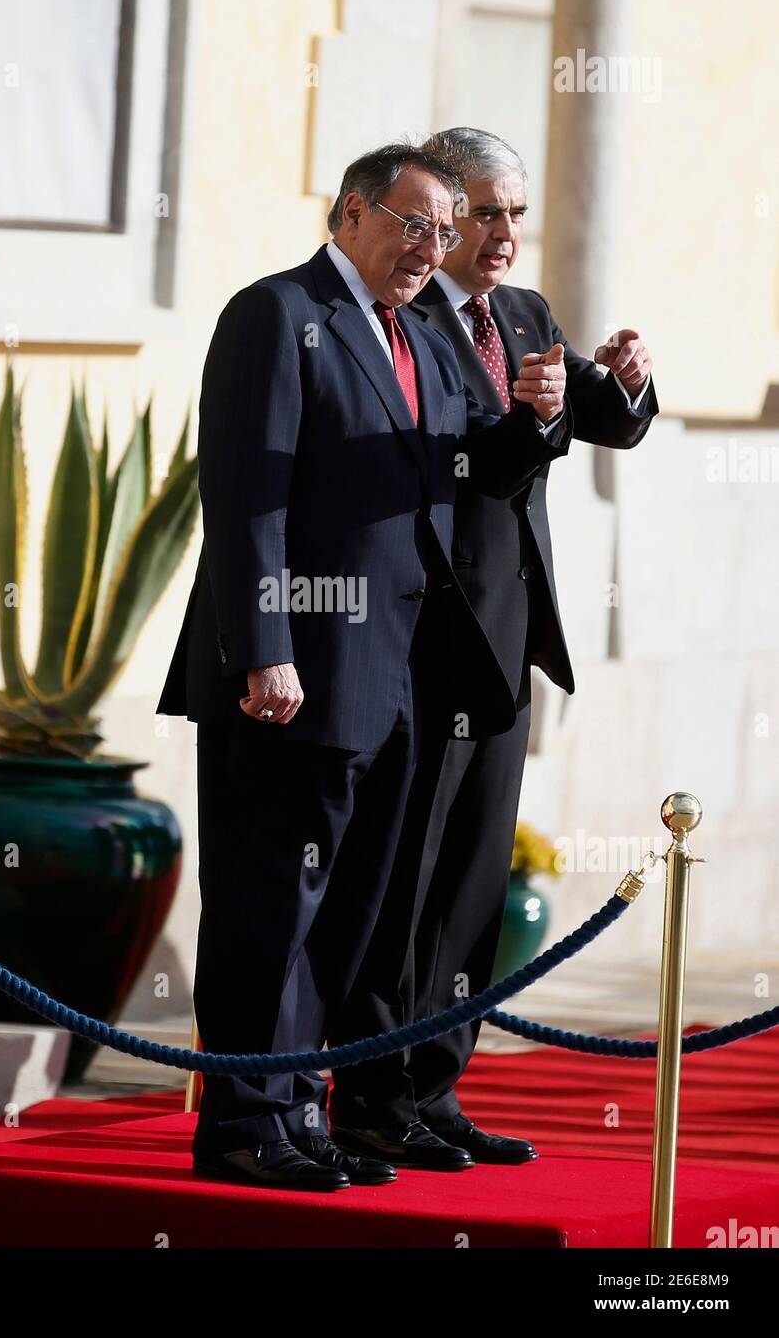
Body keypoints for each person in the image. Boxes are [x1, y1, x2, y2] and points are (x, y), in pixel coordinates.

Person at [156, 140, 570, 1191]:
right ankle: (241, 1121)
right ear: (349, 214)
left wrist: (539, 414)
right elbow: (247, 495)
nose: (432, 248)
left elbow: (473, 462)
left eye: (446, 230)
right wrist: (264, 647)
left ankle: (299, 1105)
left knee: (344, 912)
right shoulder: (278, 315)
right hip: (289, 675)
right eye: (413, 223)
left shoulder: (420, 341)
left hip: (393, 682)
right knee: (268, 908)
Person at [327, 126, 658, 1168]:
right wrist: (533, 420)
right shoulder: (398, 316)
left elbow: (598, 424)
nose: (503, 231)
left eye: (515, 211)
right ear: (433, 213)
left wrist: (627, 383)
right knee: (402, 880)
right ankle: (370, 1092)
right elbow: (468, 461)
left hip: (504, 640)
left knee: (470, 882)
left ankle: (434, 1090)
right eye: (483, 210)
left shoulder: (519, 313)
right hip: (422, 635)